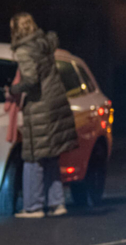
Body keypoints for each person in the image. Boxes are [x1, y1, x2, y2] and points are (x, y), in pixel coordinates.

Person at [8, 12, 78, 219]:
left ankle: (33, 206)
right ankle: (57, 203)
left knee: (33, 158)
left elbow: (30, 80)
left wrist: (13, 90)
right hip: (56, 103)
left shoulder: (24, 50)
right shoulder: (45, 45)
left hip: (40, 106)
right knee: (50, 157)